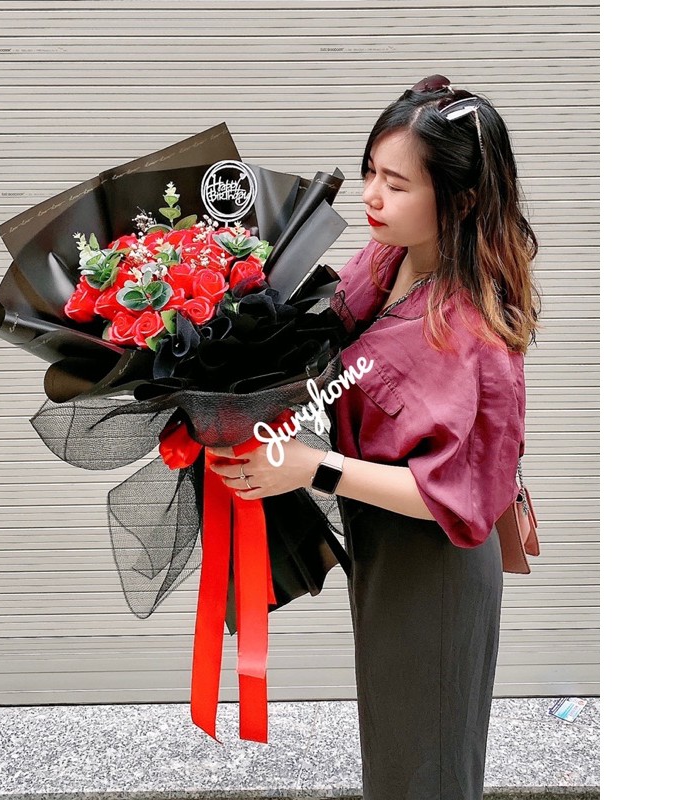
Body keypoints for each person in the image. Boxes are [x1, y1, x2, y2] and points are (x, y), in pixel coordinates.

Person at [206, 74, 539, 800]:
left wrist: (312, 468)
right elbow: (323, 340)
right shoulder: (391, 260)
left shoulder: (472, 331)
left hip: (434, 565)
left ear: (462, 199)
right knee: (395, 757)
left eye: (396, 183)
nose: (371, 196)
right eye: (369, 173)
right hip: (381, 544)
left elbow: (456, 497)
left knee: (426, 771)